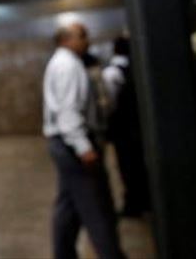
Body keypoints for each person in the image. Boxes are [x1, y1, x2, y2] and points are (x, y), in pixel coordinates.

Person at [43, 23, 124, 259]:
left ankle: (63, 253)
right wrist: (83, 147)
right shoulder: (67, 66)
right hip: (71, 143)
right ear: (66, 39)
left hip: (64, 142)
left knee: (67, 208)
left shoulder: (67, 62)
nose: (87, 40)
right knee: (95, 207)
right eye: (82, 36)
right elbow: (68, 112)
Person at [102, 36, 150, 217]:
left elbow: (110, 103)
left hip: (123, 128)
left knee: (128, 166)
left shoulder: (112, 72)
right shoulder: (136, 66)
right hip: (137, 126)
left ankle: (134, 202)